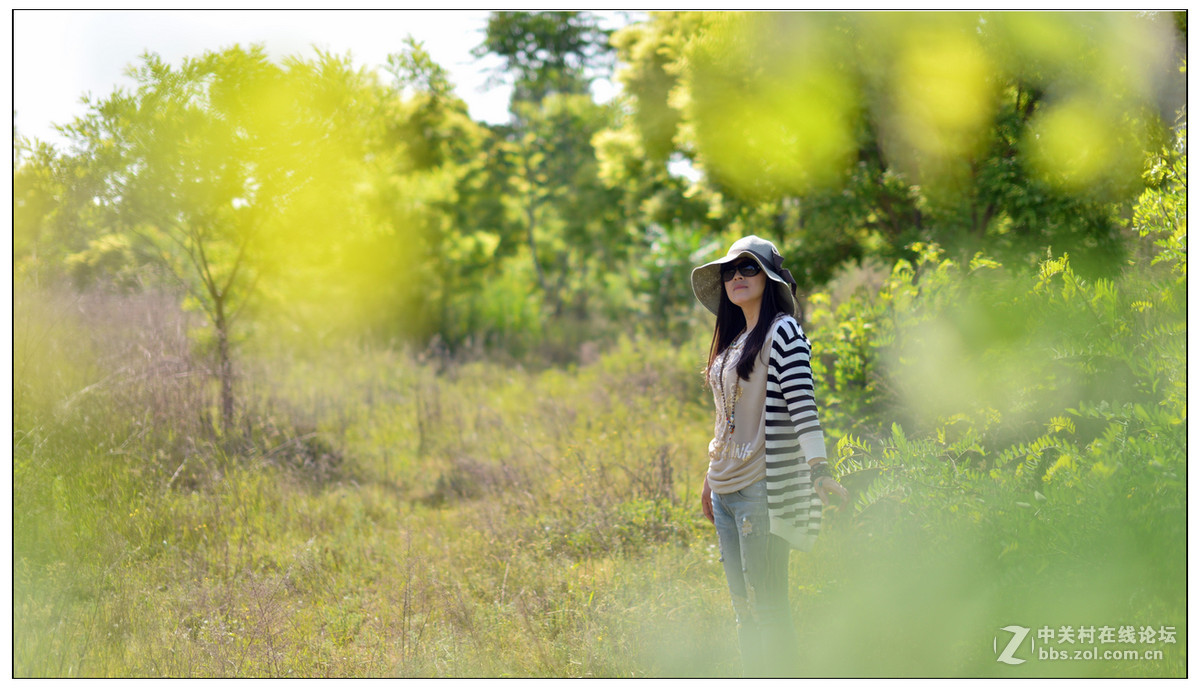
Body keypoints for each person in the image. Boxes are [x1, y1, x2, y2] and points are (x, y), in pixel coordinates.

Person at [691, 235, 848, 677]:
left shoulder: (784, 332)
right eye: (729, 271)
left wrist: (821, 470)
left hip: (761, 491)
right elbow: (727, 418)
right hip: (724, 490)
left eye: (748, 268)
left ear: (770, 277)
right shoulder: (733, 340)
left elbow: (803, 406)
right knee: (744, 610)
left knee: (768, 606)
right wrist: (710, 476)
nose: (736, 277)